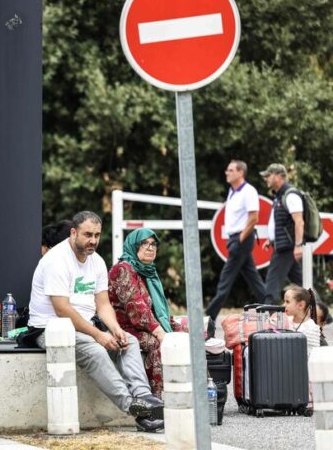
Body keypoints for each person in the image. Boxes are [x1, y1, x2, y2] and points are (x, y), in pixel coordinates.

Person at [28, 211, 164, 433]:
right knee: (96, 350)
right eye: (87, 234)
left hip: (85, 325)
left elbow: (103, 305)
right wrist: (98, 335)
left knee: (127, 340)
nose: (93, 240)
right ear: (73, 233)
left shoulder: (97, 261)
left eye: (97, 235)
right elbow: (62, 310)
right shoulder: (56, 260)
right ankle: (133, 407)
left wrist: (115, 330)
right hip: (51, 328)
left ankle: (144, 398)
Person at [108, 228, 188, 398]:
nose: (150, 248)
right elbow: (136, 309)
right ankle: (158, 399)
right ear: (134, 245)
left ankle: (197, 392)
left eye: (153, 244)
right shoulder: (123, 269)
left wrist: (168, 327)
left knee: (187, 332)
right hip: (126, 327)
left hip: (146, 325)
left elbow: (157, 309)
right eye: (144, 243)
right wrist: (161, 332)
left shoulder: (148, 271)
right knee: (157, 344)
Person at [206, 160, 266, 338]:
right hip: (236, 238)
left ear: (241, 173)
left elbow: (254, 217)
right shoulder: (233, 191)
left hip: (242, 238)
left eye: (231, 170)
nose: (227, 172)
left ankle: (208, 319)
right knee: (254, 279)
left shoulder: (249, 191)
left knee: (225, 280)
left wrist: (240, 239)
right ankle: (272, 310)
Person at [261, 163, 304, 303]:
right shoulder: (279, 196)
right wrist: (272, 240)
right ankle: (323, 314)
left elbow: (299, 222)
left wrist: (298, 245)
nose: (266, 178)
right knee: (301, 283)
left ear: (279, 176)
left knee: (272, 282)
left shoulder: (290, 195)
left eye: (269, 175)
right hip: (283, 244)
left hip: (287, 246)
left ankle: (267, 312)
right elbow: (282, 223)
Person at [283, 284, 320, 355]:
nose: (284, 305)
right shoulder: (286, 320)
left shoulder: (311, 328)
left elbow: (313, 355)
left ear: (301, 305)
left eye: (287, 302)